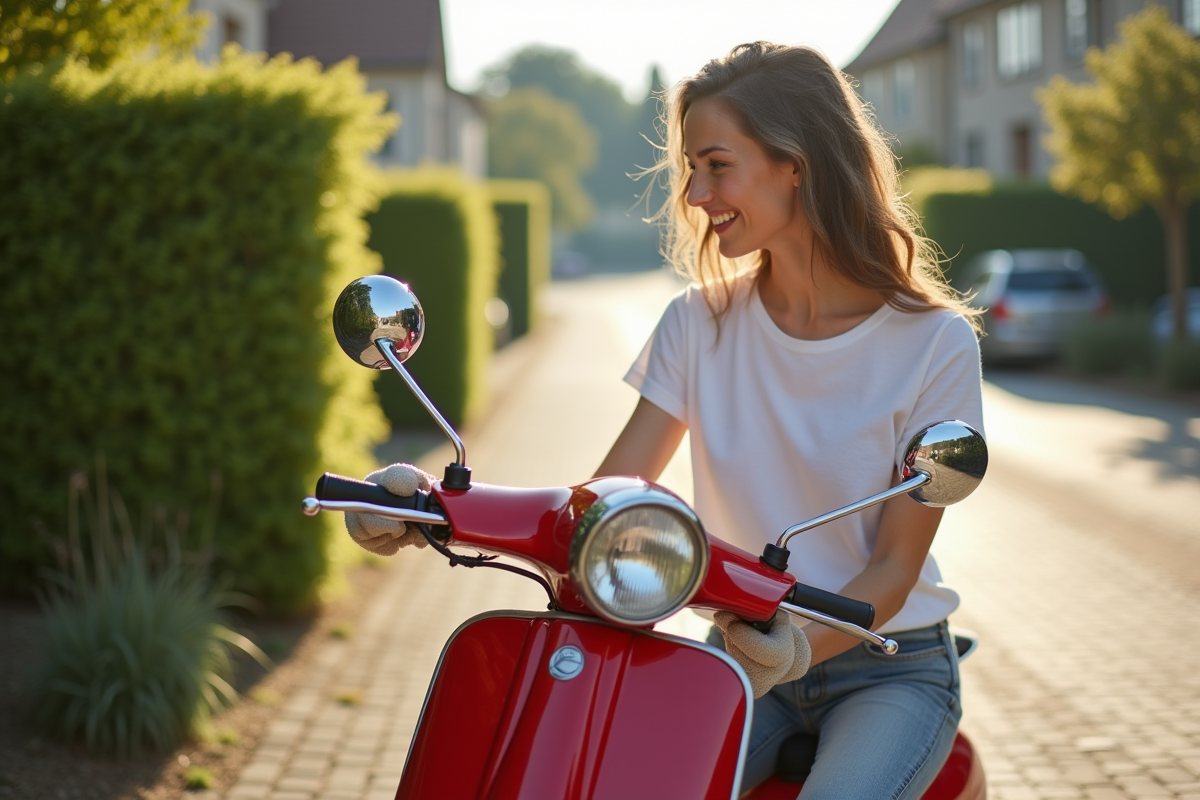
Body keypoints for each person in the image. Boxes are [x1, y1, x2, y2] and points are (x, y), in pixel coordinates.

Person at [593, 42, 985, 798]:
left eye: (716, 165)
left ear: (794, 164)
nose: (696, 195)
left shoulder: (934, 341)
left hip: (887, 667)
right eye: (691, 170)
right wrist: (431, 505)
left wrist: (797, 650)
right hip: (740, 657)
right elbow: (606, 500)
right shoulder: (696, 323)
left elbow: (895, 568)